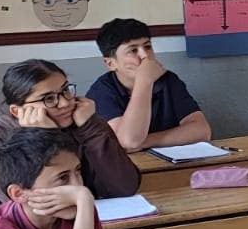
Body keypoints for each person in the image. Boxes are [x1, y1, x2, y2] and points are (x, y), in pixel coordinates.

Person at [0, 59, 140, 213]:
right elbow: (35, 207)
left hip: (89, 216)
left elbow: (125, 186)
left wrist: (90, 127)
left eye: (65, 90)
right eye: (48, 99)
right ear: (17, 111)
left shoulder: (82, 121)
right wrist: (44, 135)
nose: (65, 103)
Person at [88, 18, 212, 152]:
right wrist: (144, 81)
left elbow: (202, 131)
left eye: (147, 47)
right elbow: (130, 140)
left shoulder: (168, 80)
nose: (145, 55)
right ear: (111, 63)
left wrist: (144, 143)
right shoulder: (101, 92)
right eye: (133, 50)